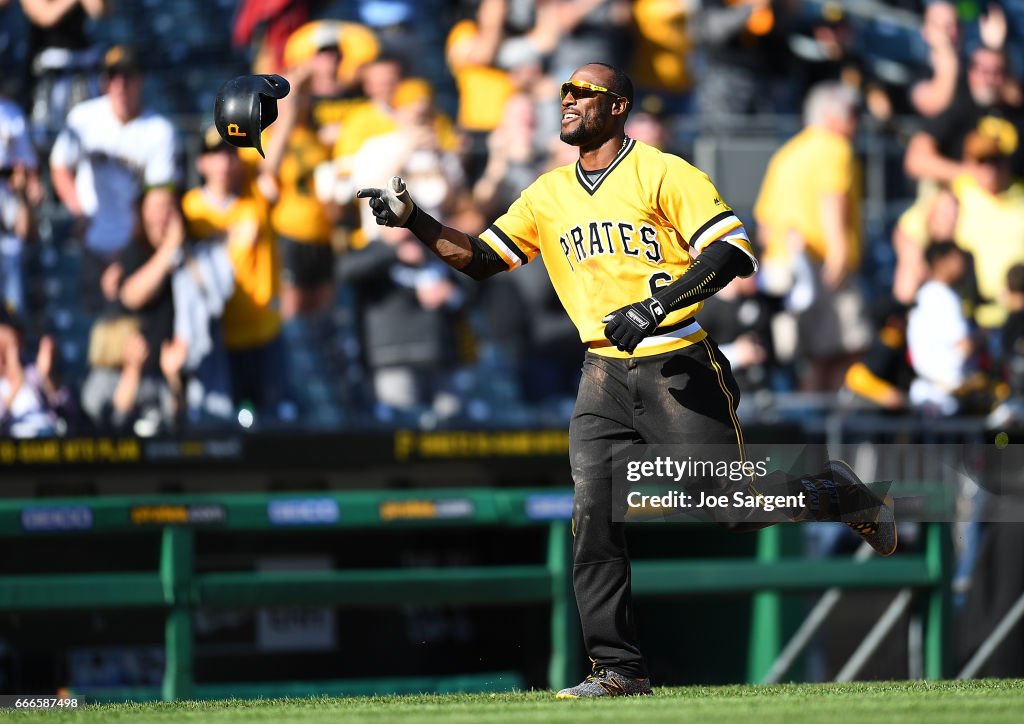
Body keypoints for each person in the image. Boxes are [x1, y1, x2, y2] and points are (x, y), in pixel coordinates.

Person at [353, 63, 896, 697]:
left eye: (582, 93)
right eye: (564, 93)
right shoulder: (547, 193)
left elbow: (733, 251)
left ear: (617, 109)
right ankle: (617, 668)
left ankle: (835, 493)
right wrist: (417, 219)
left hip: (677, 361)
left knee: (727, 509)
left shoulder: (662, 170)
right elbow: (479, 259)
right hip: (601, 372)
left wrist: (656, 305)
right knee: (592, 510)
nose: (567, 101)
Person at [49, 45, 178, 311]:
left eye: (126, 76)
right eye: (111, 77)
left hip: (133, 248)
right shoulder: (84, 117)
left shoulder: (159, 131)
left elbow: (158, 200)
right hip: (90, 245)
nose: (118, 85)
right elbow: (59, 166)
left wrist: (125, 257)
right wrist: (78, 210)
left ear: (140, 80)